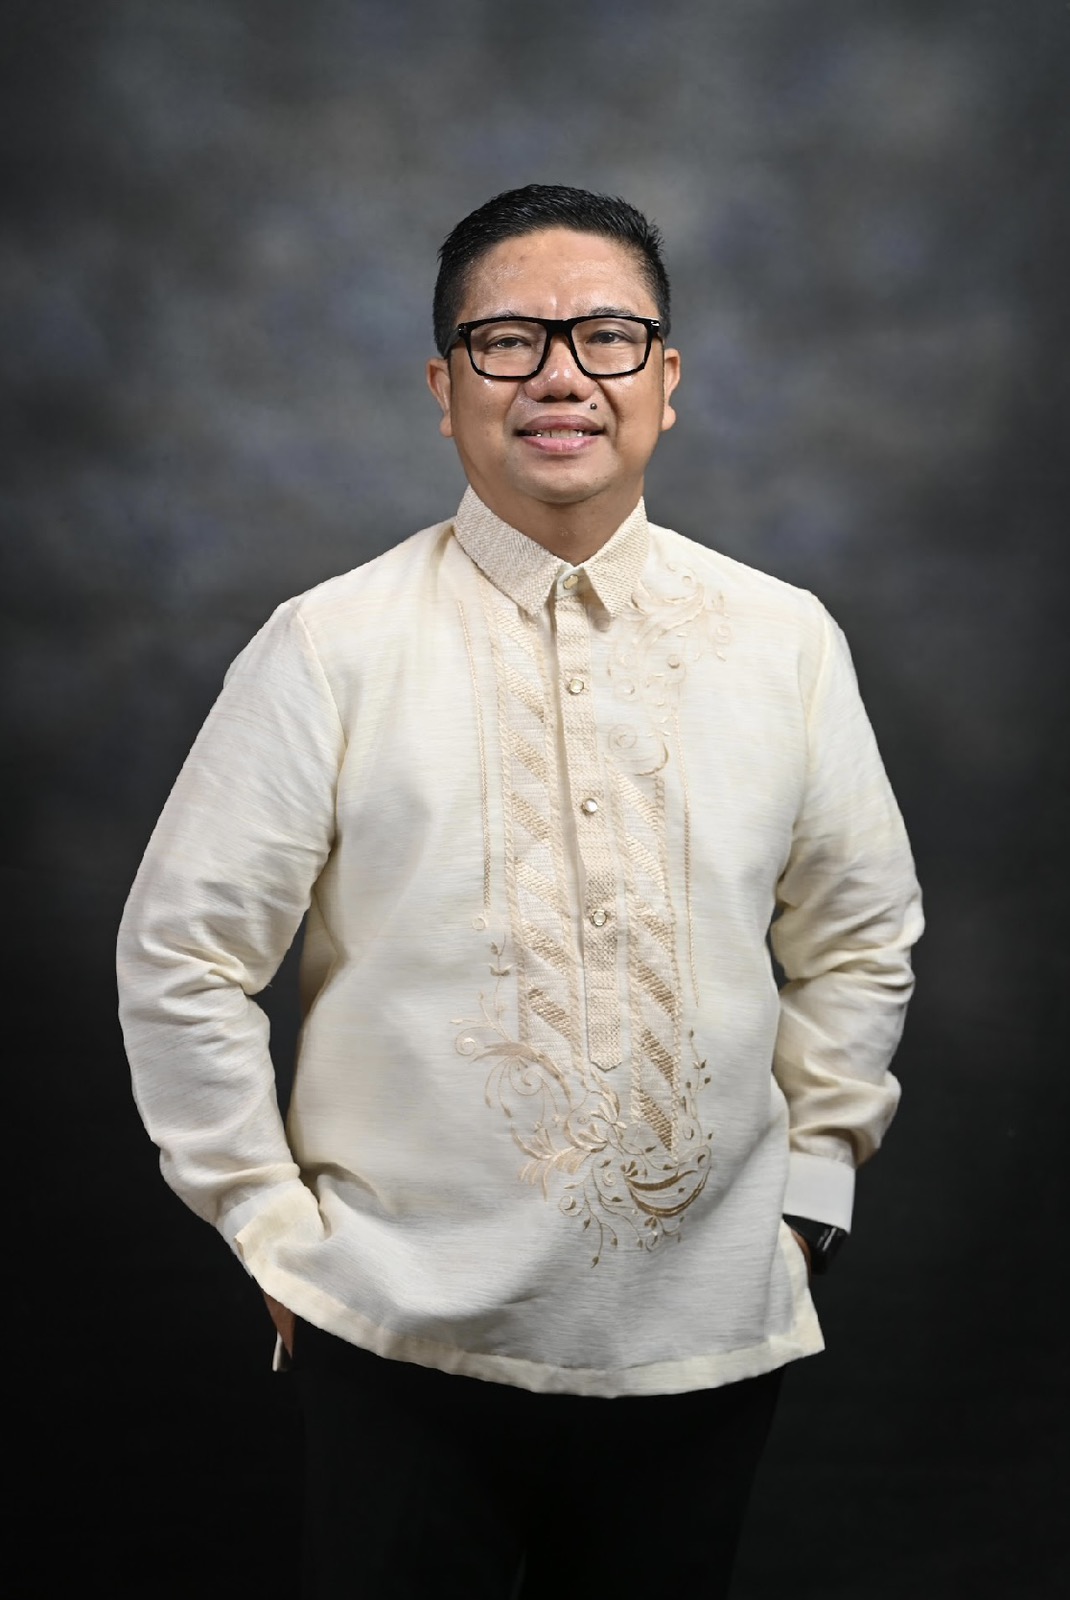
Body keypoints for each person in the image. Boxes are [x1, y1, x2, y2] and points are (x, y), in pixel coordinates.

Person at [117, 183, 923, 1598]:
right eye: (507, 340)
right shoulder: (331, 645)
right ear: (445, 389)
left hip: (708, 1335)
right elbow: (181, 956)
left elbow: (859, 940)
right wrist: (272, 1228)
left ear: (665, 382)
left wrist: (809, 1195)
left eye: (609, 335)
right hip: (396, 1338)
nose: (560, 372)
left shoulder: (782, 639)